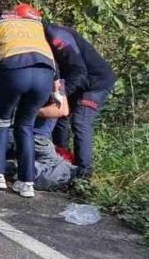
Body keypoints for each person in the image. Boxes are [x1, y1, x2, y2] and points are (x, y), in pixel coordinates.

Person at [0, 0, 58, 198]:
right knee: (25, 126)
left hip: (13, 70)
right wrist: (56, 89)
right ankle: (26, 182)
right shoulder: (35, 24)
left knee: (1, 122)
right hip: (44, 73)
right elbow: (51, 55)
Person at [42, 21, 117, 178]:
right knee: (59, 115)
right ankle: (62, 159)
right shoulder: (39, 35)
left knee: (80, 121)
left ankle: (84, 174)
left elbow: (79, 70)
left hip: (95, 83)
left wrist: (62, 95)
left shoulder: (57, 36)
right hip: (75, 80)